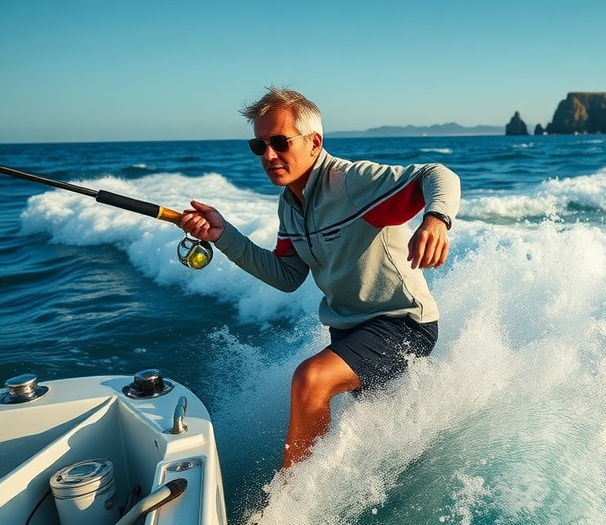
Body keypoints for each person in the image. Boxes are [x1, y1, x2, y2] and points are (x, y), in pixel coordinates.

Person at [180, 87, 460, 468]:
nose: (269, 156)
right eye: (258, 146)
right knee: (377, 440)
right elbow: (286, 276)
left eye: (279, 142)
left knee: (310, 380)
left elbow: (437, 173)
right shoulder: (290, 205)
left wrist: (436, 220)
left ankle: (287, 503)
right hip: (349, 329)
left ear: (314, 142)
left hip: (402, 322)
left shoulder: (351, 182)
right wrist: (223, 235)